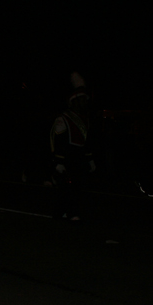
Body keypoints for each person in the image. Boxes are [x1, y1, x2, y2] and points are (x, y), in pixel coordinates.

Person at [50, 72, 95, 222]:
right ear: (74, 101)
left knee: (76, 187)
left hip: (79, 157)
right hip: (67, 156)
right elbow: (59, 140)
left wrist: (89, 159)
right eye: (81, 99)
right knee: (65, 188)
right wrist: (59, 161)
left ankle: (70, 211)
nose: (84, 102)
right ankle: (65, 212)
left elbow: (86, 142)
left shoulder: (86, 119)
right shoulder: (63, 118)